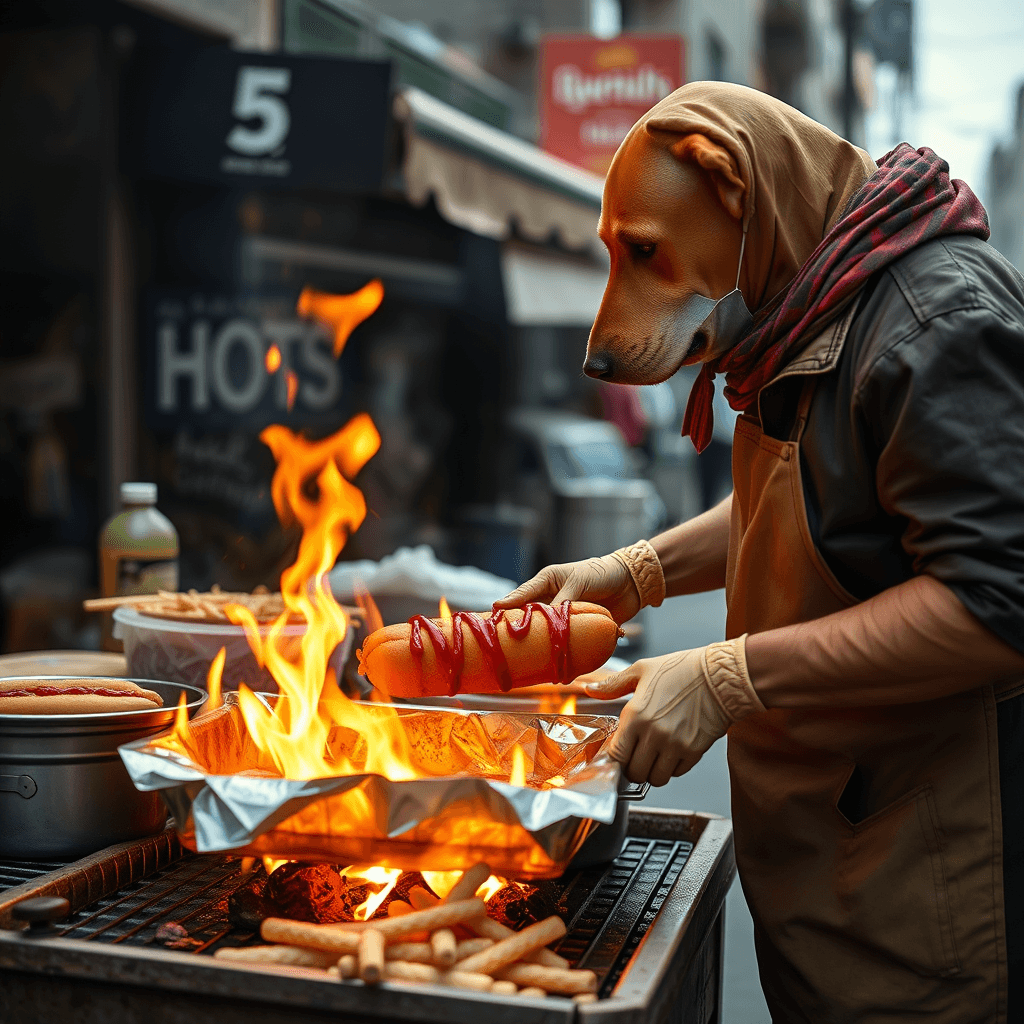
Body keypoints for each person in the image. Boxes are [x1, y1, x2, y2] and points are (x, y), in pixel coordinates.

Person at [496, 82, 1024, 1022]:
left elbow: (996, 605)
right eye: (618, 257)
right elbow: (803, 503)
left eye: (648, 256)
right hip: (835, 875)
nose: (607, 334)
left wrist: (724, 677)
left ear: (742, 199)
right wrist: (636, 573)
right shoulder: (814, 307)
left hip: (938, 893)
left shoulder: (933, 324)